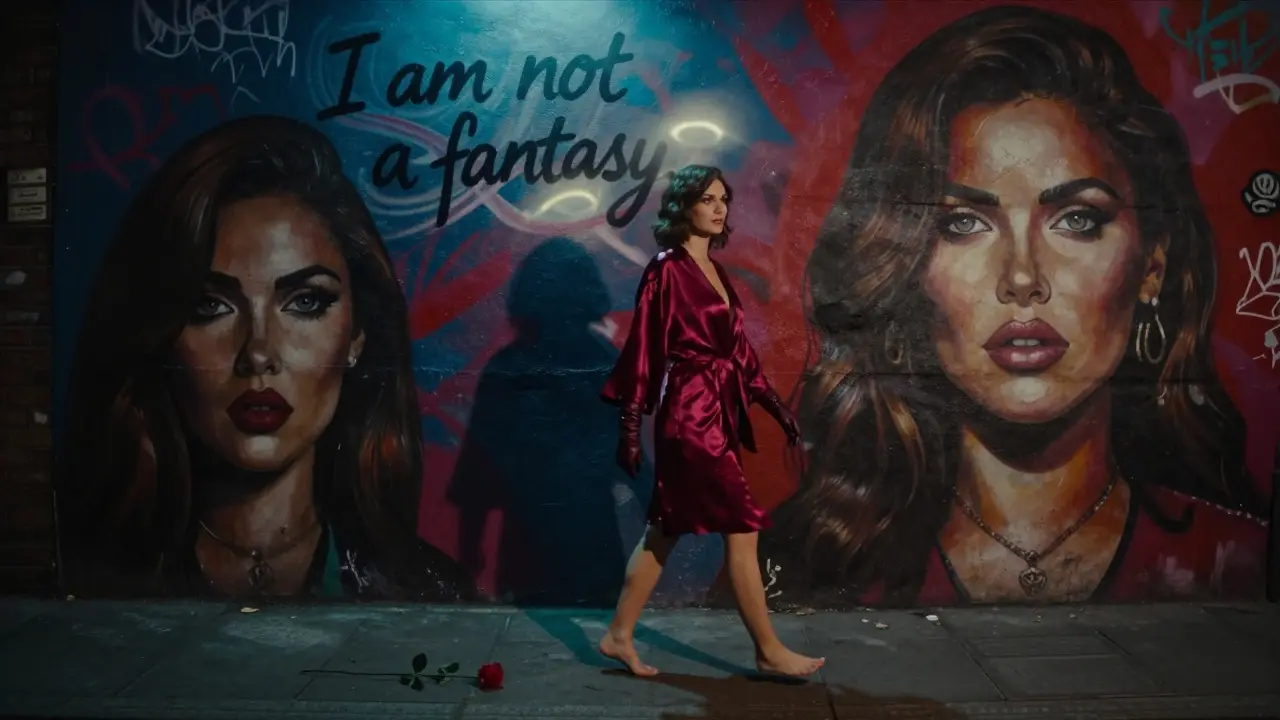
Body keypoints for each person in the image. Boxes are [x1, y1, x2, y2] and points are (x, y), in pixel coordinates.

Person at [763, 5, 1268, 607]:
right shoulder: (812, 563)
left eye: (1077, 219)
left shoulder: (1238, 559)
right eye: (962, 223)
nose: (1022, 278)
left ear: (1151, 266)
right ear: (908, 269)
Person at [58, 115, 476, 602]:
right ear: (160, 336)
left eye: (305, 302)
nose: (258, 353)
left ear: (357, 335)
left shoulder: (424, 590)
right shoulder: (92, 578)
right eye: (209, 306)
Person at [596, 165, 825, 678]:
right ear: (684, 206)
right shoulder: (666, 269)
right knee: (741, 528)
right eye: (707, 199)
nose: (720, 208)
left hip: (716, 409)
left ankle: (619, 634)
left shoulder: (716, 272)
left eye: (724, 199)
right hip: (689, 413)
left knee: (665, 529)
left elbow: (738, 353)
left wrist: (775, 407)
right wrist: (630, 426)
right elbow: (644, 348)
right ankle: (768, 650)